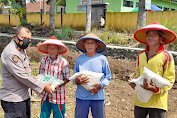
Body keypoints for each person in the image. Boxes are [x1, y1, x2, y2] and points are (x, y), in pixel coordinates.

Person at [0, 26, 53, 118]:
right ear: (14, 37)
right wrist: (43, 86)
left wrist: (33, 78)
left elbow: (25, 71)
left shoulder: (20, 48)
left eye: (29, 39)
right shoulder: (11, 53)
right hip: (14, 99)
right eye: (23, 38)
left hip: (23, 96)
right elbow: (22, 76)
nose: (26, 41)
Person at [129, 21, 176, 118]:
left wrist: (155, 89)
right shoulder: (141, 55)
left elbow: (170, 80)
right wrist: (134, 82)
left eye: (154, 35)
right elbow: (138, 74)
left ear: (161, 38)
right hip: (140, 101)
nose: (151, 37)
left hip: (157, 103)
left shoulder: (167, 56)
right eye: (149, 35)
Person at [73, 33, 111, 118]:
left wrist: (100, 85)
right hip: (82, 97)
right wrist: (77, 81)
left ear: (96, 45)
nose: (90, 45)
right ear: (84, 45)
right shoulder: (79, 59)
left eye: (92, 43)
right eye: (87, 43)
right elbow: (74, 77)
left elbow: (108, 77)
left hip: (97, 96)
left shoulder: (102, 59)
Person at [37, 36, 70, 118]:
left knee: (58, 115)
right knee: (44, 115)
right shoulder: (44, 60)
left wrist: (56, 85)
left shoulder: (63, 62)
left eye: (54, 48)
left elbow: (67, 78)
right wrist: (42, 85)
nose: (52, 50)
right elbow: (40, 75)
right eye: (50, 48)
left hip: (58, 96)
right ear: (47, 49)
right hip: (45, 94)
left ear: (58, 49)